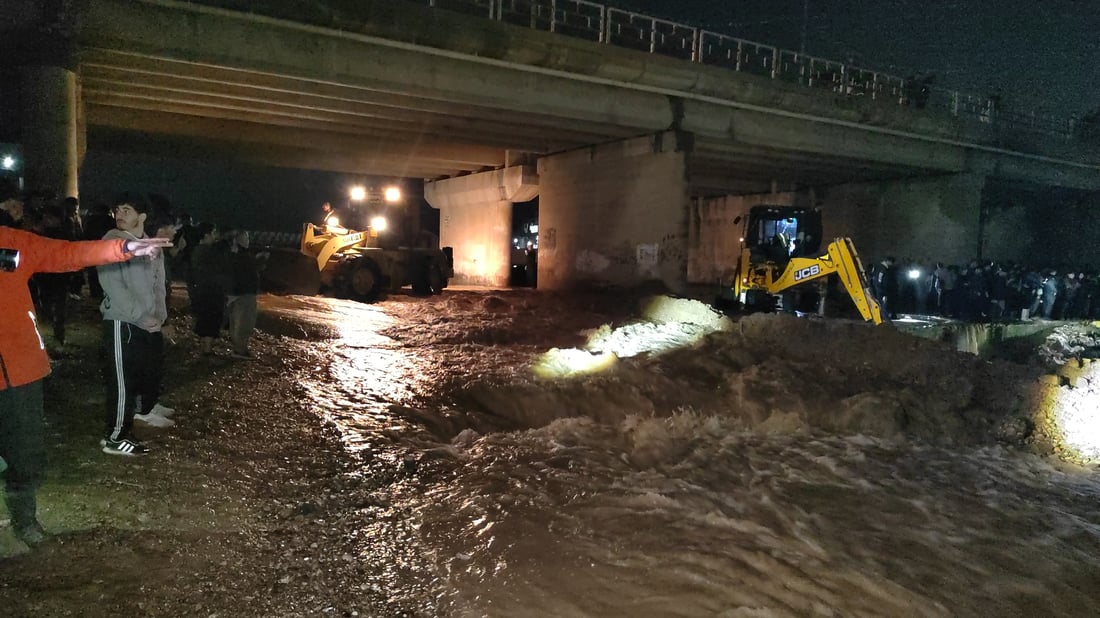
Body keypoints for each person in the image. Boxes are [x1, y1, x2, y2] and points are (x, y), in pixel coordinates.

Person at [0, 187, 170, 548]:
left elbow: (66, 253)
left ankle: (24, 518)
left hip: (20, 370)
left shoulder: (10, 243)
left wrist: (122, 249)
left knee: (27, 453)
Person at [97, 193, 178, 457]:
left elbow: (158, 284)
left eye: (127, 210)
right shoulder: (112, 241)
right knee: (122, 381)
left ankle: (129, 425)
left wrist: (159, 316)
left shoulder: (151, 246)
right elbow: (113, 285)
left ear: (142, 216)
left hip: (147, 324)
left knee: (142, 375)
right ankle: (115, 437)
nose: (119, 215)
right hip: (122, 322)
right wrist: (141, 316)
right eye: (118, 210)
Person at [227, 229, 260, 359]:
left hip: (240, 292)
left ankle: (238, 347)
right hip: (245, 293)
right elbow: (243, 275)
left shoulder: (234, 254)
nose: (247, 240)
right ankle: (240, 350)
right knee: (245, 322)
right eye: (245, 238)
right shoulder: (242, 256)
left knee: (237, 321)